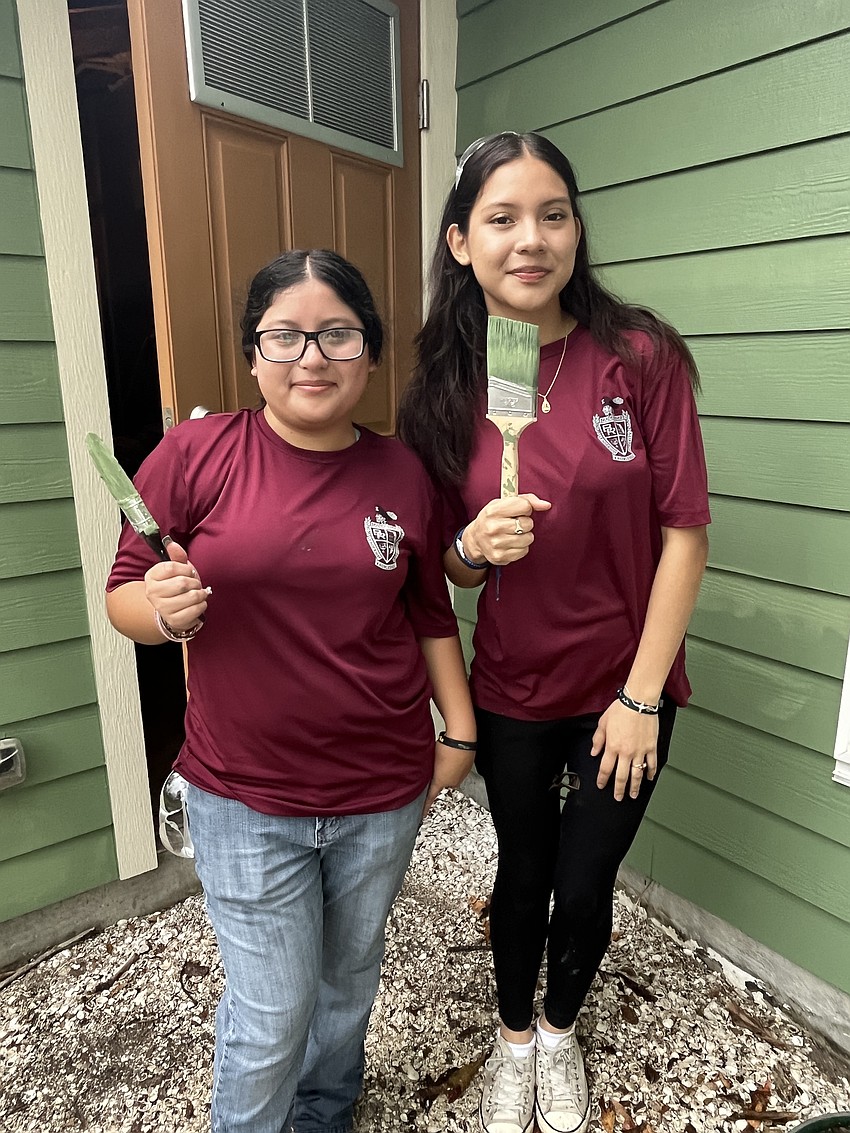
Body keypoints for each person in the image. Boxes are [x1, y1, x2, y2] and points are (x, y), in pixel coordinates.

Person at [105, 249, 477, 1133]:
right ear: (253, 354)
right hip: (244, 793)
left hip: (380, 789)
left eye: (338, 334)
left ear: (371, 354)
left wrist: (457, 732)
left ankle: (325, 1113)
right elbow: (124, 590)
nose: (312, 355)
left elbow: (429, 613)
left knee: (348, 985)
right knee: (271, 1014)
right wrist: (161, 611)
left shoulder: (403, 475)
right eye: (286, 335)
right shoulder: (196, 454)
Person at [397, 132, 710, 1133]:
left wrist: (640, 695)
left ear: (576, 225)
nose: (529, 239)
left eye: (552, 213)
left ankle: (562, 1031)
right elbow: (436, 564)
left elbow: (683, 531)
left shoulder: (640, 356)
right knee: (522, 872)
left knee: (584, 884)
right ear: (458, 241)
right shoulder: (445, 391)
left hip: (628, 684)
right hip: (514, 687)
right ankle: (513, 1038)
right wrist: (471, 548)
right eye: (500, 218)